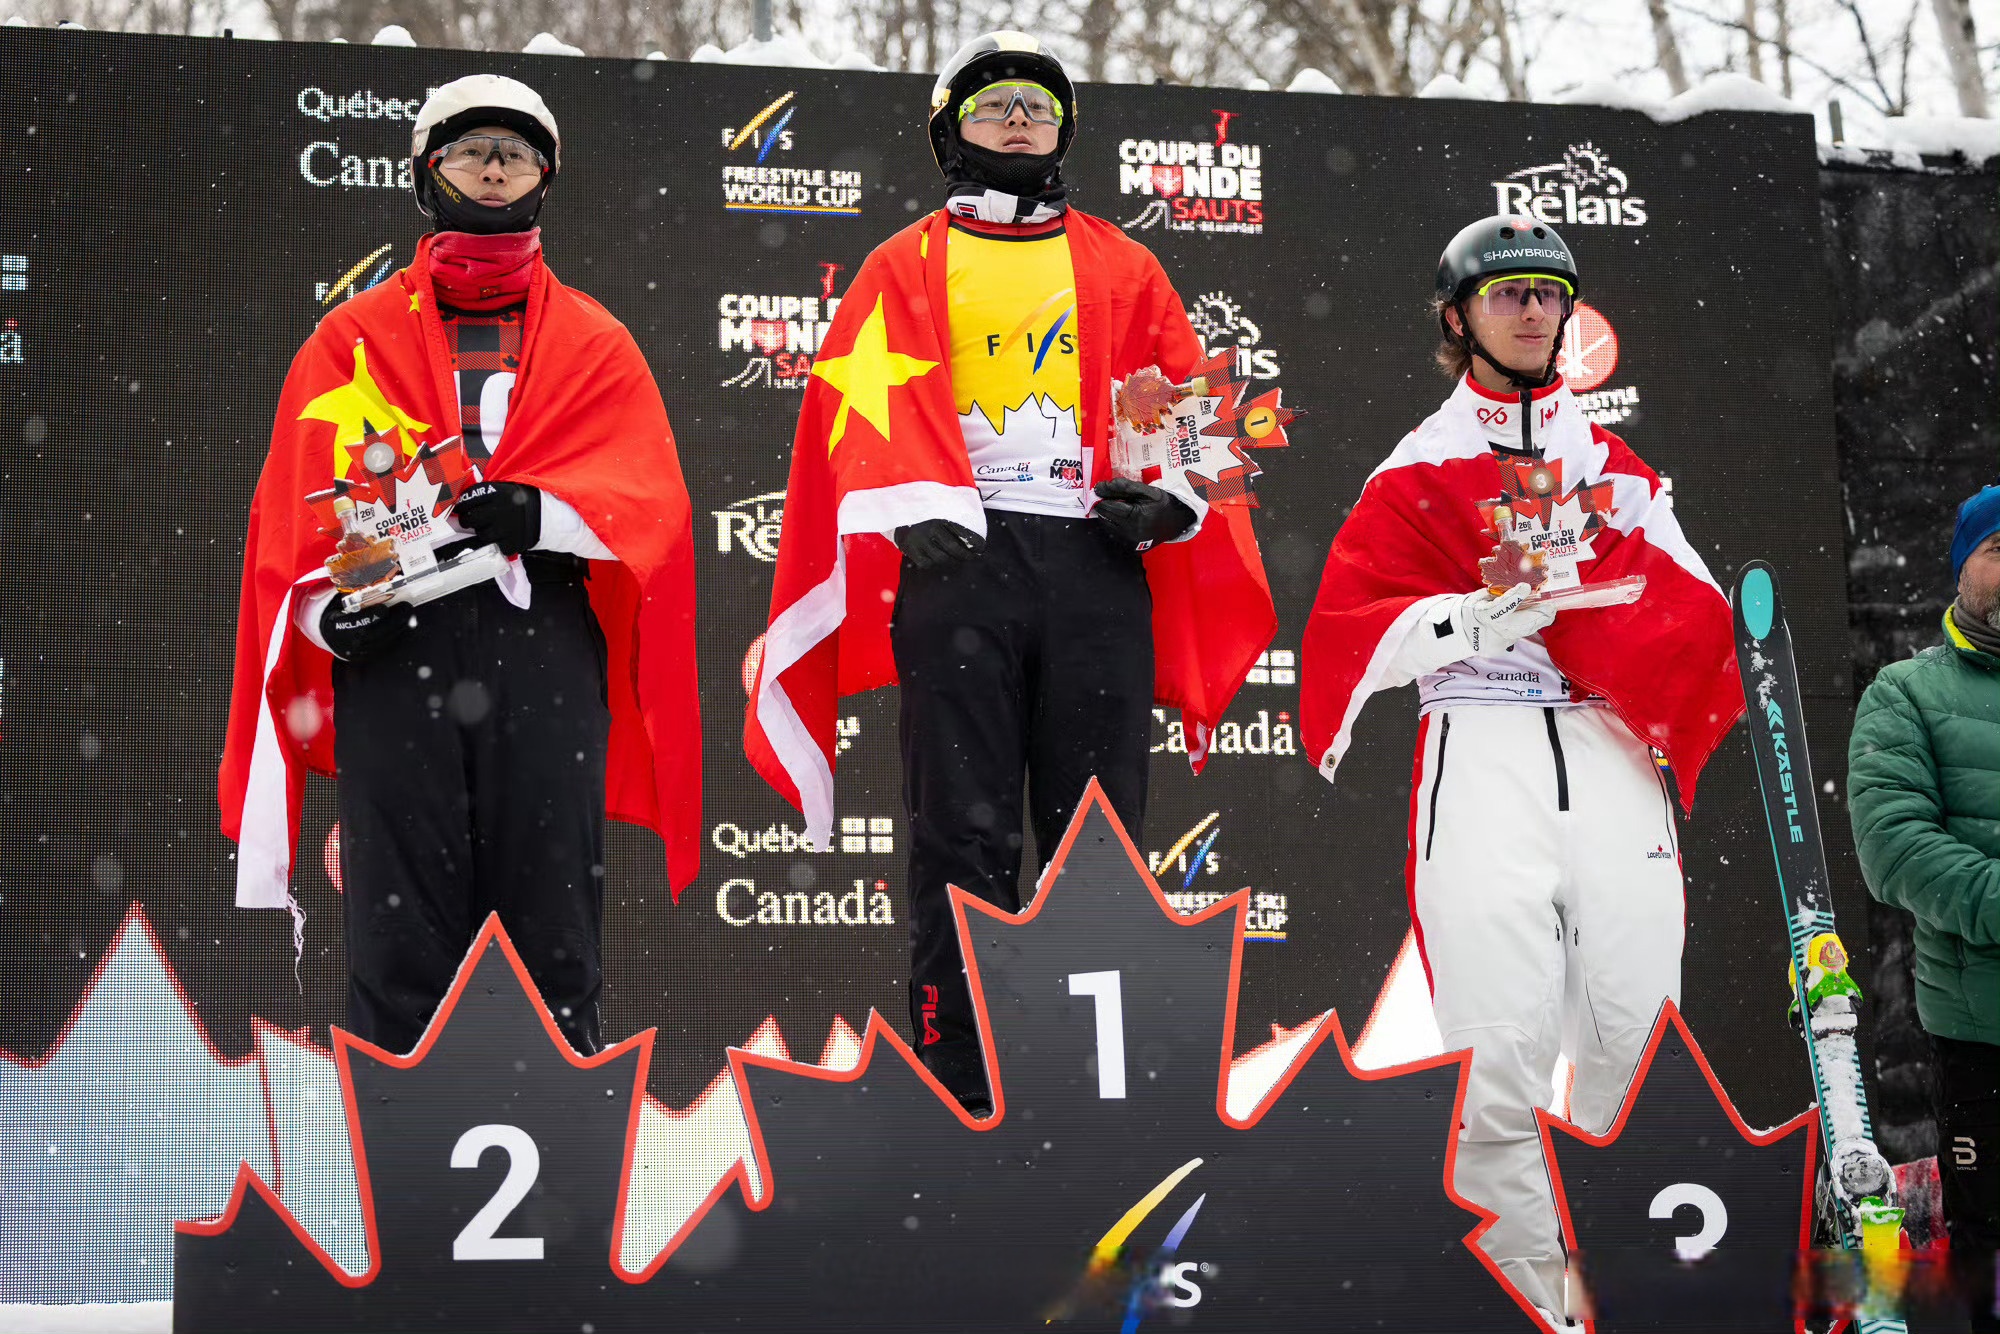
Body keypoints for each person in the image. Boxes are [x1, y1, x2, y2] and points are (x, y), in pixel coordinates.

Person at [744, 32, 1274, 1115]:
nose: (1020, 120)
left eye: (1038, 104)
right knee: (960, 838)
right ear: (950, 136)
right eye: (994, 109)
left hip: (1091, 562)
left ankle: (1102, 1091)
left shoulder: (1126, 263)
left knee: (1101, 836)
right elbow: (848, 413)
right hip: (961, 567)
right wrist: (909, 503)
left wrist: (1169, 499)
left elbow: (1197, 419)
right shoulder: (900, 262)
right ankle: (960, 1088)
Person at [1298, 216, 1741, 1325]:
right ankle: (1525, 1308)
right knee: (1493, 1062)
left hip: (1604, 757)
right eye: (1505, 295)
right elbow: (1351, 639)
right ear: (1457, 319)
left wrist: (1612, 618)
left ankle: (1638, 1298)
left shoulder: (1616, 469)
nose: (1532, 309)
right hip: (1480, 754)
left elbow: (1700, 615)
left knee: (1639, 1043)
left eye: (1548, 292)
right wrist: (1464, 620)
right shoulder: (1416, 466)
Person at [220, 74, 700, 1057]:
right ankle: (404, 1158)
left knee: (551, 921)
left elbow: (652, 505)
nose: (493, 165)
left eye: (514, 152)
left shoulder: (597, 341)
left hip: (541, 646)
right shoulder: (345, 341)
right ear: (425, 172)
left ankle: (564, 1147)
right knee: (400, 934)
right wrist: (327, 617)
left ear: (544, 178)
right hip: (396, 654)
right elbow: (289, 532)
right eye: (472, 148)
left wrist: (545, 511)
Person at [1848, 486, 2000, 1333]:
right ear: (1961, 568)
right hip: (1984, 1036)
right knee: (1989, 1249)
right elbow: (1897, 850)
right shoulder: (1905, 694)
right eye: (1999, 549)